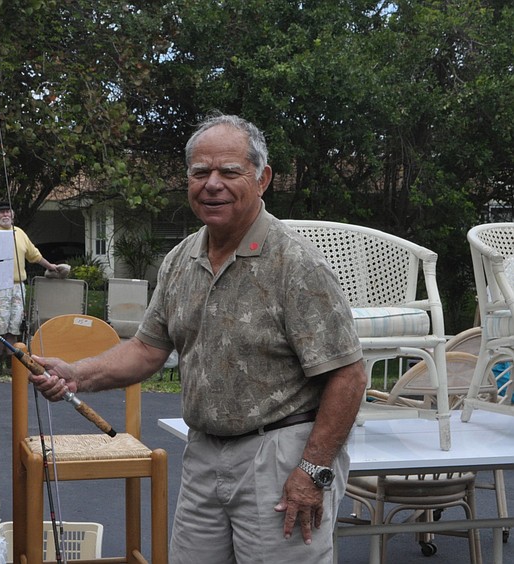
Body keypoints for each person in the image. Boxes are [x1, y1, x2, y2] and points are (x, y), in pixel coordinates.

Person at [30, 114, 368, 563]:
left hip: (281, 456)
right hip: (204, 453)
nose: (212, 184)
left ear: (262, 178)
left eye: (229, 171)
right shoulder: (180, 259)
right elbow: (146, 349)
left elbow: (348, 376)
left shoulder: (296, 264)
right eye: (200, 172)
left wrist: (313, 470)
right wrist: (75, 375)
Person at [0, 201, 58, 366]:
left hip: (18, 286)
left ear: (12, 214)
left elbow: (34, 255)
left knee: (15, 325)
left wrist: (50, 266)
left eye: (8, 212)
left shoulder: (19, 233)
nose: (5, 215)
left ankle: (12, 362)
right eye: (1, 212)